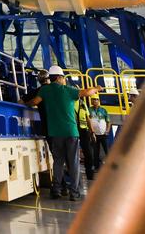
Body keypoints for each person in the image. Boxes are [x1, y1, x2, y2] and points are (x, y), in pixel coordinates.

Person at [26, 66, 100, 200]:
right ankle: (74, 193)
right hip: (71, 132)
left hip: (54, 133)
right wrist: (97, 88)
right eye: (63, 78)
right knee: (73, 163)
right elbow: (87, 92)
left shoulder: (45, 90)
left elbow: (34, 102)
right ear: (60, 78)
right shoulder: (68, 90)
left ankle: (56, 190)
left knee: (58, 162)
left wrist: (26, 102)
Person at [77, 94, 110, 180]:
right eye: (93, 100)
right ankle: (96, 167)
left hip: (103, 134)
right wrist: (91, 132)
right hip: (94, 134)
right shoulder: (89, 109)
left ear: (99, 101)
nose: (95, 101)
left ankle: (110, 166)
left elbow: (108, 121)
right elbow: (88, 119)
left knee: (107, 150)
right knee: (95, 151)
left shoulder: (103, 110)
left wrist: (107, 130)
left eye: (96, 100)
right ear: (91, 101)